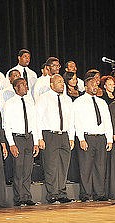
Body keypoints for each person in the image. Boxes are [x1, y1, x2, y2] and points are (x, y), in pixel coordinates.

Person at [73, 74, 113, 202]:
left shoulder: (102, 102)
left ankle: (99, 193)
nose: (95, 86)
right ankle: (86, 193)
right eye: (92, 84)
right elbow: (77, 121)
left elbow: (107, 121)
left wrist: (109, 139)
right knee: (86, 167)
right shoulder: (79, 102)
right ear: (85, 86)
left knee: (100, 167)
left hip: (101, 138)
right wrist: (81, 138)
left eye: (96, 84)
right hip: (87, 137)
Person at [36, 74, 75, 204]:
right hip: (49, 135)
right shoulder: (43, 98)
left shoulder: (67, 99)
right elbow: (38, 119)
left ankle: (62, 192)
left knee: (63, 165)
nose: (62, 84)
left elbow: (71, 119)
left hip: (64, 134)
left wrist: (71, 136)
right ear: (51, 85)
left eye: (63, 82)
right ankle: (52, 194)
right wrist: (39, 138)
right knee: (51, 166)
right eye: (59, 82)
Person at [2, 77, 40, 206]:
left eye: (26, 84)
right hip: (17, 137)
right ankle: (19, 197)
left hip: (29, 137)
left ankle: (27, 195)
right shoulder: (10, 103)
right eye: (22, 85)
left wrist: (35, 142)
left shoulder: (30, 103)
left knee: (28, 168)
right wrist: (11, 143)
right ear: (15, 88)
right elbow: (7, 125)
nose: (26, 87)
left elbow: (34, 123)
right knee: (18, 168)